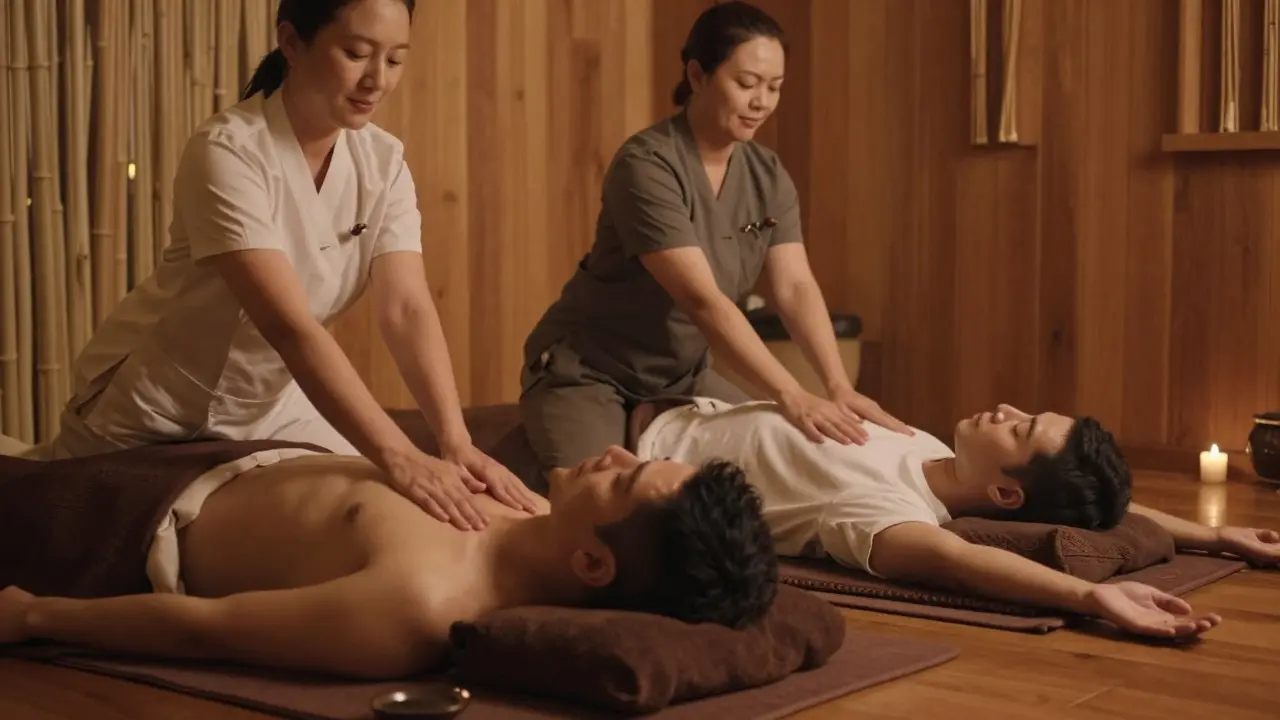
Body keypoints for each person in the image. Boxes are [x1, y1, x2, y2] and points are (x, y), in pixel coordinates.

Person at [44, 0, 536, 531]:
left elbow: (407, 309)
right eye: (356, 53)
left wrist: (453, 442)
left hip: (271, 405)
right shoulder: (229, 152)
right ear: (292, 42)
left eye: (395, 60)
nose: (376, 79)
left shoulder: (383, 163)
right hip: (154, 407)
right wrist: (398, 455)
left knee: (423, 514)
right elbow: (288, 326)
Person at [519, 1, 911, 479]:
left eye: (774, 87)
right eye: (746, 83)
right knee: (605, 499)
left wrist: (835, 386)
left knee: (787, 459)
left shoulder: (767, 174)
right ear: (698, 75)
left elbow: (794, 287)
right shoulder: (647, 165)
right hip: (591, 371)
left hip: (684, 376)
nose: (761, 101)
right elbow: (701, 301)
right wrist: (789, 392)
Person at [0, 446, 778, 679]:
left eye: (624, 478)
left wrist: (34, 615)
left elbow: (211, 630)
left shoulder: (418, 604)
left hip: (117, 523)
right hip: (223, 454)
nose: (613, 452)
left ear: (594, 565)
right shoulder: (534, 509)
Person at [625, 397, 1280, 639]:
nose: (1003, 407)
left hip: (636, 446)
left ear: (1004, 497)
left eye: (1019, 430)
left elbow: (958, 562)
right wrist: (1216, 535)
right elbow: (1113, 508)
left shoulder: (889, 512)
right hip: (692, 395)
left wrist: (1092, 595)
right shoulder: (932, 451)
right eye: (1027, 411)